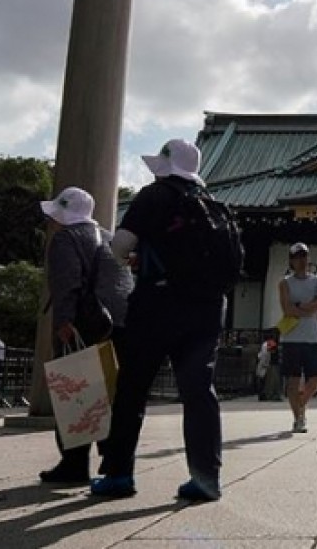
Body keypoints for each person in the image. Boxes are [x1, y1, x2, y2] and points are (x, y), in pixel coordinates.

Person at [97, 139, 229, 503]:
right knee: (199, 392)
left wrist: (137, 259)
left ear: (166, 165)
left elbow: (120, 246)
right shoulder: (213, 204)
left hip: (158, 304)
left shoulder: (154, 196)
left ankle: (118, 474)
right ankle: (206, 478)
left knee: (133, 388)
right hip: (207, 307)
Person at [37, 186, 134, 490]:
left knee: (75, 392)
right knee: (109, 394)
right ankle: (111, 461)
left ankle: (74, 462)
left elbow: (67, 283)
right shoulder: (109, 237)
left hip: (84, 323)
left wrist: (64, 320)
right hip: (116, 323)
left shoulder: (66, 239)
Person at [277, 242, 317, 433]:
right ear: (291, 260)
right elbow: (287, 309)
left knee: (315, 379)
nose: (302, 260)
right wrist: (309, 306)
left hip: (312, 337)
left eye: (304, 256)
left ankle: (300, 404)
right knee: (293, 380)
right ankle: (298, 418)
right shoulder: (285, 283)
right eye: (297, 257)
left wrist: (299, 306)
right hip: (291, 337)